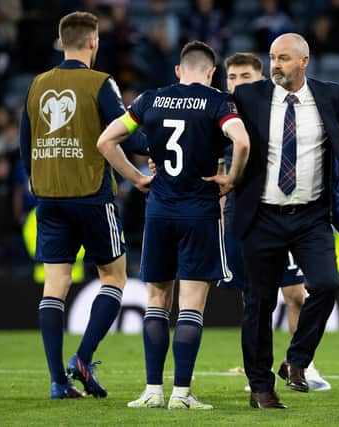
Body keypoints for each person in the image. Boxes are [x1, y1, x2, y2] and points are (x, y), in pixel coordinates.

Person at [97, 41, 250, 410]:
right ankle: (181, 394)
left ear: (179, 70)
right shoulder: (218, 103)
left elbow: (106, 141)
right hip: (199, 211)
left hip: (159, 211)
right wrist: (232, 179)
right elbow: (241, 142)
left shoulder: (150, 99)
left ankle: (152, 391)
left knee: (156, 302)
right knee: (191, 306)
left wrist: (135, 177)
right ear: (212, 72)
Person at [231, 33, 339, 409]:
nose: (275, 65)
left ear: (304, 61)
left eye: (283, 58)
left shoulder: (329, 94)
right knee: (259, 305)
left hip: (311, 215)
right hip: (262, 214)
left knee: (327, 284)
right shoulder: (249, 96)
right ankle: (261, 387)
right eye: (272, 58)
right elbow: (221, 136)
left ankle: (297, 360)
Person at [18, 11, 148, 400]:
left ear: (61, 41)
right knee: (114, 277)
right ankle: (83, 357)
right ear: (93, 41)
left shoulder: (37, 85)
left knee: (54, 287)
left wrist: (40, 180)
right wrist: (151, 151)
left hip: (49, 198)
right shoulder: (99, 83)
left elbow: (26, 144)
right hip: (91, 195)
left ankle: (58, 381)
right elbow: (123, 133)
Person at [219, 51, 331, 392]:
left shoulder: (275, 108)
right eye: (232, 78)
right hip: (244, 214)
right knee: (255, 298)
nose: (238, 84)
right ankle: (259, 373)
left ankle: (302, 364)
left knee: (297, 293)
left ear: (261, 80)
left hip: (287, 211)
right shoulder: (221, 112)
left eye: (245, 78)